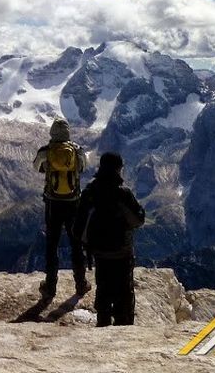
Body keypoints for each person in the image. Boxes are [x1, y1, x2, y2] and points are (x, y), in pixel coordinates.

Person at [75, 151, 146, 327]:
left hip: (99, 252)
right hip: (123, 252)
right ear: (118, 169)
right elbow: (138, 220)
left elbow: (78, 227)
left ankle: (103, 325)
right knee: (124, 293)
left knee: (103, 290)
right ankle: (124, 327)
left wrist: (87, 243)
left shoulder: (90, 191)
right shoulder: (123, 193)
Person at [34, 117, 89, 298]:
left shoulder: (46, 151)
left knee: (52, 244)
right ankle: (81, 284)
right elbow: (82, 168)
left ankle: (50, 286)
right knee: (76, 243)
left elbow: (37, 167)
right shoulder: (77, 150)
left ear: (52, 133)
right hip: (74, 202)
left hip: (53, 202)